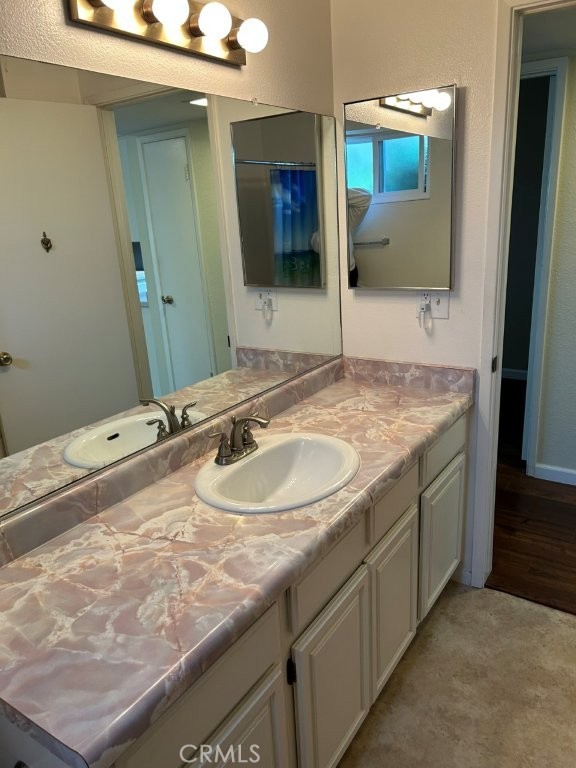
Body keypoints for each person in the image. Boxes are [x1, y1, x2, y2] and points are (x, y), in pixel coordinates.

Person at [347, 187, 372, 287]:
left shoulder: (345, 217)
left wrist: (336, 193)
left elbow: (366, 197)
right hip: (327, 272)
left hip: (350, 270)